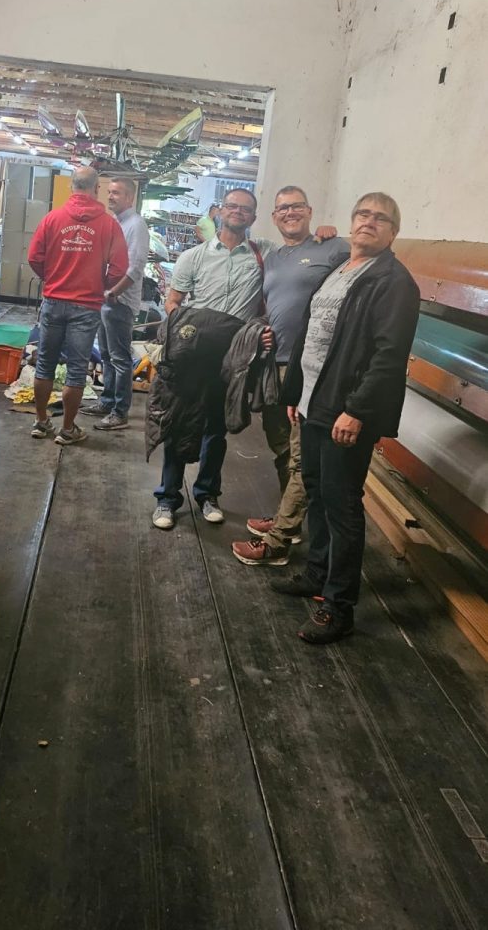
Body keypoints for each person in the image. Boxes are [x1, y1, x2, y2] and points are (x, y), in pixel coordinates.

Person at [272, 193, 420, 645]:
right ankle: (317, 574)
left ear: (393, 232)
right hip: (315, 402)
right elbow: (312, 334)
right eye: (363, 214)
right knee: (317, 492)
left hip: (345, 408)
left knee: (342, 506)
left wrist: (356, 410)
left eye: (381, 218)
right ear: (352, 222)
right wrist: (297, 394)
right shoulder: (340, 269)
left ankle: (339, 606)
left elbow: (389, 357)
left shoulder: (393, 281)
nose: (369, 222)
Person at [232, 186, 349, 568]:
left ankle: (279, 542)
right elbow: (271, 304)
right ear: (273, 217)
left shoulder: (333, 249)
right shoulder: (273, 256)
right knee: (280, 445)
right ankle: (290, 518)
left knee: (300, 454)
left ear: (310, 211)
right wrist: (263, 328)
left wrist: (333, 232)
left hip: (311, 367)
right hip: (275, 365)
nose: (289, 212)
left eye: (297, 206)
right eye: (282, 208)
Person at [152, 189, 274, 531]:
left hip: (232, 357)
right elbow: (173, 302)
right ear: (220, 211)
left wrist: (323, 234)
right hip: (193, 354)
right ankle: (167, 497)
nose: (238, 212)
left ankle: (207, 494)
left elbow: (300, 252)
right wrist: (187, 331)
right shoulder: (194, 256)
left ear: (253, 217)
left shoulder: (265, 253)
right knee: (179, 422)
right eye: (232, 206)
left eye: (245, 209)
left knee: (217, 428)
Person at [27, 167, 128, 446]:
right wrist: (100, 284)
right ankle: (67, 429)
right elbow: (120, 268)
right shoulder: (109, 225)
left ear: (72, 187)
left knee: (45, 363)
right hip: (86, 305)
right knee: (76, 368)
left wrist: (51, 278)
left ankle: (41, 422)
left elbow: (34, 256)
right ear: (96, 189)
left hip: (53, 300)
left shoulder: (52, 218)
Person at [82, 177, 150, 431]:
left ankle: (120, 412)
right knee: (107, 356)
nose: (111, 196)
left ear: (130, 197)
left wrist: (113, 293)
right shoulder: (116, 222)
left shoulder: (136, 225)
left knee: (120, 359)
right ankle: (108, 401)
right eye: (109, 192)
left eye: (117, 193)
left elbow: (135, 267)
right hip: (107, 299)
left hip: (120, 302)